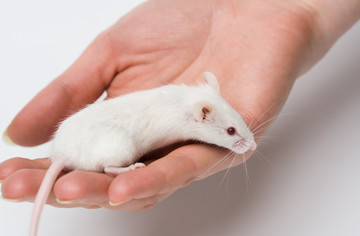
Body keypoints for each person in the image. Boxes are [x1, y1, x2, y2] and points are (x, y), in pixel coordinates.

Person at [1, 0, 359, 210]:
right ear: (203, 116)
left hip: (76, 138)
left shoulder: (192, 103)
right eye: (232, 132)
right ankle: (113, 167)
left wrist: (302, 11)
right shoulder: (190, 111)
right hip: (87, 144)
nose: (243, 140)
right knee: (121, 149)